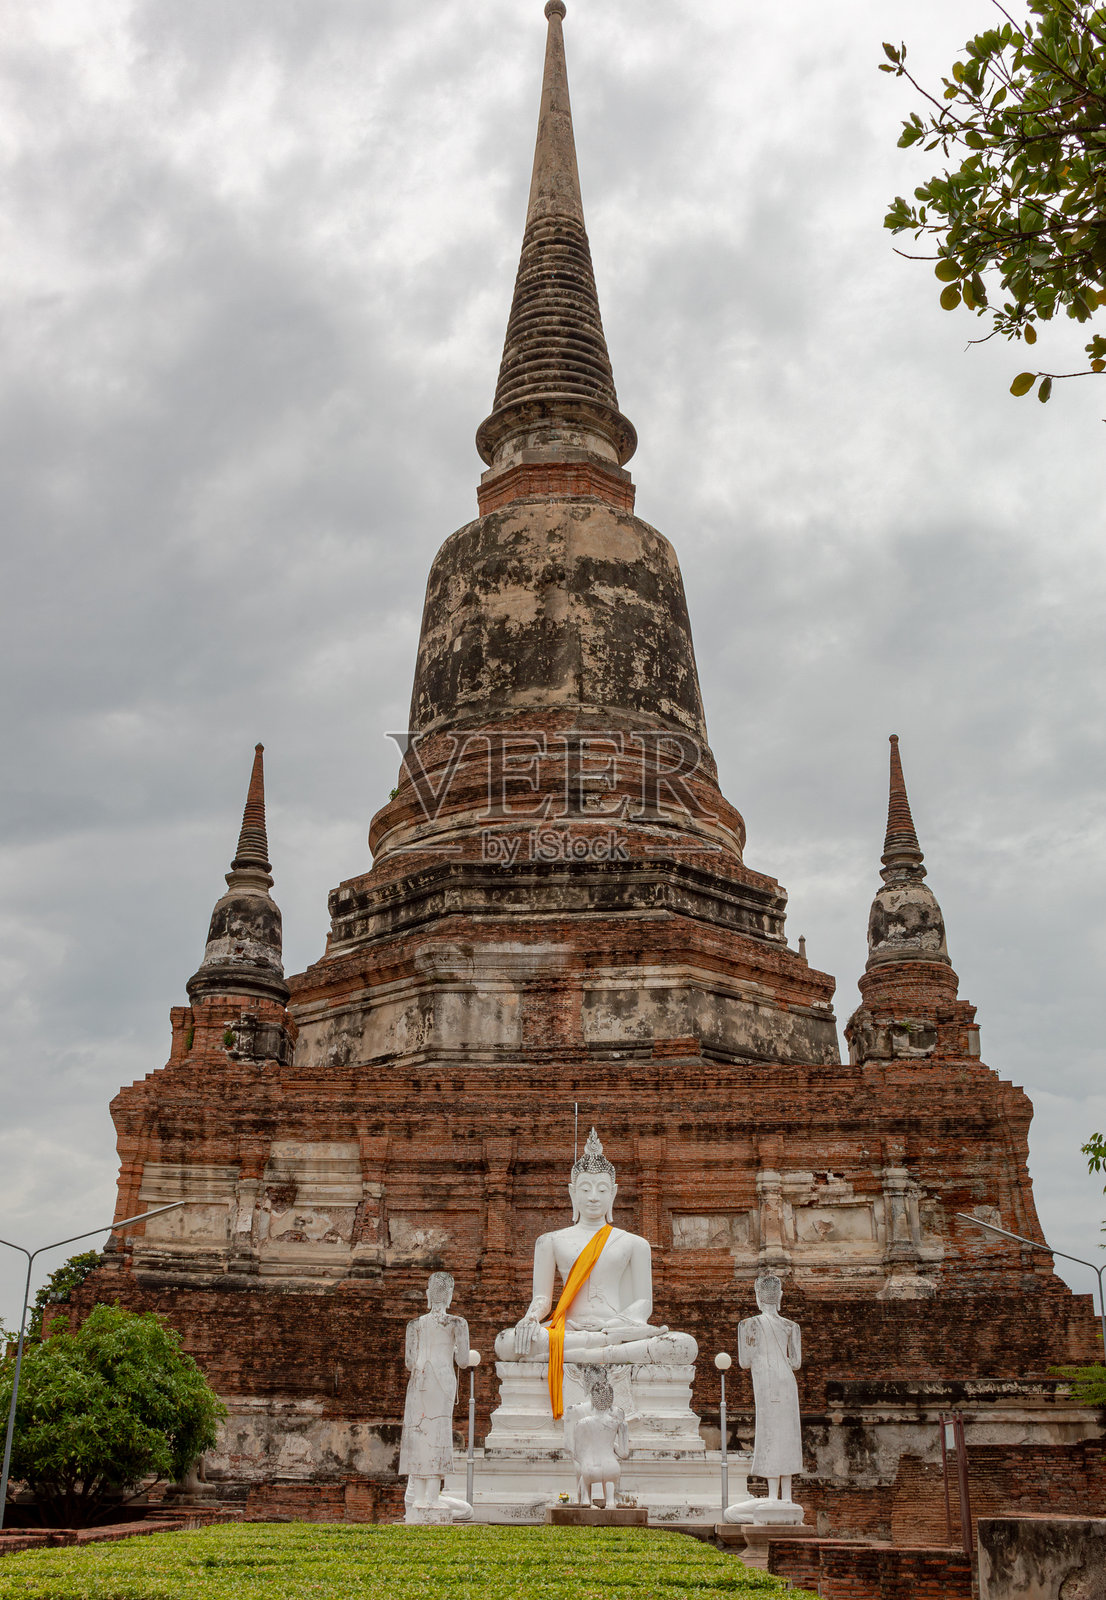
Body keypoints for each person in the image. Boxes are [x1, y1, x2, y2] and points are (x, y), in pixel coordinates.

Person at [493, 1129, 697, 1417]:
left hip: (615, 1330)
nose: (593, 1197)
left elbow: (643, 1304)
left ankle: (592, 1350)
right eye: (585, 1188)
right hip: (569, 1332)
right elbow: (542, 1298)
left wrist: (614, 1326)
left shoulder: (634, 1243)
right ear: (572, 1192)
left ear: (613, 1193)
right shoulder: (550, 1241)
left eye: (602, 1189)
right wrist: (530, 1318)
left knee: (683, 1346)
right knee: (507, 1342)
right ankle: (600, 1352)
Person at [399, 1271, 470, 1515]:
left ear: (428, 1294)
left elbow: (409, 1362)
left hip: (419, 1379)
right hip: (442, 1380)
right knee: (438, 1434)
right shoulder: (457, 1323)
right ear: (449, 1295)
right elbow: (462, 1360)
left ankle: (419, 1499)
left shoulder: (414, 1325)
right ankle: (432, 1497)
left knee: (418, 1434)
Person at [738, 1274, 803, 1503]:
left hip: (766, 1383)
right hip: (786, 1383)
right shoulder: (791, 1327)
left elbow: (745, 1361)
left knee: (770, 1435)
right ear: (780, 1297)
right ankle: (786, 1497)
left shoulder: (748, 1325)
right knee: (787, 1436)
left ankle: (773, 1496)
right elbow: (795, 1363)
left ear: (758, 1298)